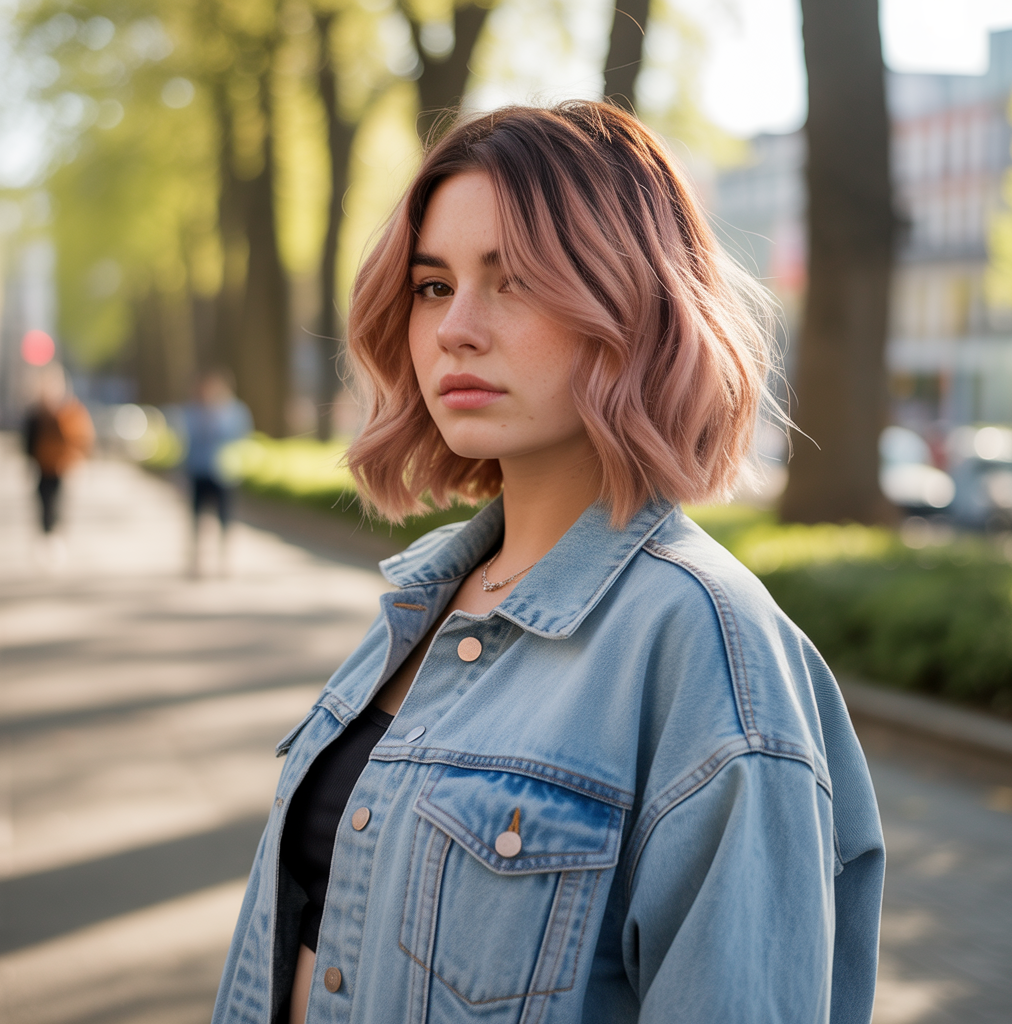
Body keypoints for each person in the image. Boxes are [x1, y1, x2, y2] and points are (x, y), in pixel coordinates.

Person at [213, 102, 884, 1024]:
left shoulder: (709, 653)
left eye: (515, 280)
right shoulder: (428, 598)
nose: (456, 329)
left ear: (633, 302)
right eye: (433, 285)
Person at [176, 370, 252, 574]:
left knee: (224, 517)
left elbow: (239, 438)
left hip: (224, 472)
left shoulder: (234, 411)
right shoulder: (192, 411)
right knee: (196, 517)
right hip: (198, 470)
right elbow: (186, 441)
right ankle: (196, 561)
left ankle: (224, 559)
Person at [22, 364, 94, 534]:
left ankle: (55, 532)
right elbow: (29, 440)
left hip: (62, 466)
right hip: (43, 465)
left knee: (59, 502)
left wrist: (77, 460)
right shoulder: (37, 413)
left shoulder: (70, 412)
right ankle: (47, 532)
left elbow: (81, 438)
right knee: (44, 500)